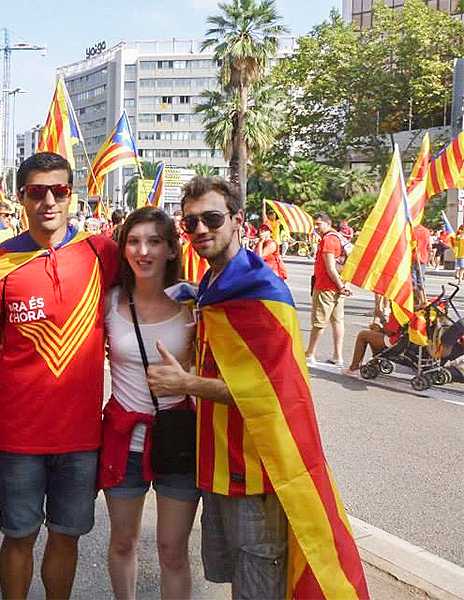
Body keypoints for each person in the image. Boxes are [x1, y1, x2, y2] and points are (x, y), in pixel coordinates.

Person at [145, 177, 368, 600]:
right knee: (239, 580)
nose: (200, 230)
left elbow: (274, 392)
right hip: (217, 465)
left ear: (236, 221)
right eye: (190, 223)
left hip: (256, 470)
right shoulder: (213, 285)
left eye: (211, 218)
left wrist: (184, 383)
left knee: (259, 586)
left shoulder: (263, 292)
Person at [0, 152, 119, 600]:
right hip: (17, 434)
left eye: (58, 191)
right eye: (36, 191)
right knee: (19, 536)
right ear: (20, 196)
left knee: (67, 536)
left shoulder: (102, 253)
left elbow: (157, 282)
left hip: (81, 436)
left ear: (72, 195)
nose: (48, 200)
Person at [97, 207, 199, 599]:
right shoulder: (109, 302)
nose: (144, 251)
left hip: (178, 437)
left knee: (173, 551)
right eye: (134, 241)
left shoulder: (194, 304)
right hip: (125, 441)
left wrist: (189, 381)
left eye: (155, 241)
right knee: (124, 542)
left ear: (172, 250)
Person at [305, 212, 351, 367]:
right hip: (339, 286)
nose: (316, 227)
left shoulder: (328, 240)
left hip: (326, 287)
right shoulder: (338, 237)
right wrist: (344, 285)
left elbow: (330, 268)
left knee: (319, 322)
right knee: (338, 321)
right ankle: (338, 355)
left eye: (319, 224)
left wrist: (340, 285)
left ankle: (310, 353)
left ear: (328, 223)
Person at [411, 223, 431, 306]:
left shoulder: (411, 230)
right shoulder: (427, 231)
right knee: (421, 281)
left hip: (412, 258)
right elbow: (429, 246)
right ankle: (422, 300)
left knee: (413, 282)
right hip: (423, 258)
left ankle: (416, 301)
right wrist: (428, 259)